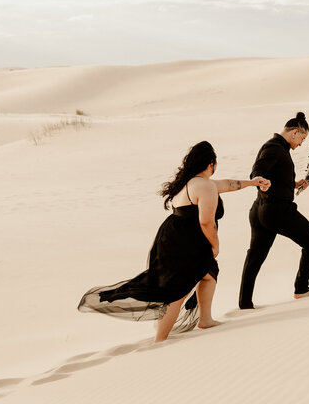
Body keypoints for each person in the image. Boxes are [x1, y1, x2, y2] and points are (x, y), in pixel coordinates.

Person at [78, 141, 270, 342]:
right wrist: (215, 244)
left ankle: (205, 319)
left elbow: (229, 184)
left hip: (176, 238)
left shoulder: (194, 183)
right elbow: (206, 221)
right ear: (211, 164)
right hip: (184, 243)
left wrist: (253, 182)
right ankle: (160, 340)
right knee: (178, 291)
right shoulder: (204, 185)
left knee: (208, 274)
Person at [238, 112, 309, 308]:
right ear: (294, 132)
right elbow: (257, 170)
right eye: (302, 138)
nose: (301, 143)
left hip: (260, 210)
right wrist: (258, 179)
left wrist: (293, 184)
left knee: (255, 257)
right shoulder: (273, 148)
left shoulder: (278, 148)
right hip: (276, 211)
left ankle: (244, 303)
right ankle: (301, 289)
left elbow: (273, 176)